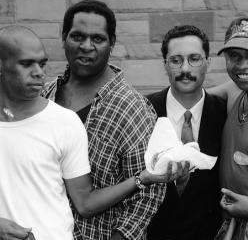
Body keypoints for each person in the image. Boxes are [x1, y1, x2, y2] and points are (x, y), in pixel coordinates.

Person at [0, 25, 187, 240]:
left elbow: (85, 202)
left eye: (42, 64)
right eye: (26, 64)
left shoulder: (64, 121)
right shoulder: (52, 94)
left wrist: (142, 178)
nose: (39, 73)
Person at [42, 0, 171, 240]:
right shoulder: (44, 96)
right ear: (63, 38)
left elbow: (148, 194)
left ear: (112, 43)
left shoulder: (132, 108)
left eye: (98, 39)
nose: (86, 46)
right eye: (77, 36)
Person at [146, 25, 227, 240]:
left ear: (208, 62)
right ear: (165, 64)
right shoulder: (144, 110)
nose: (185, 69)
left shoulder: (225, 114)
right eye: (175, 60)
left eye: (194, 59)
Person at [207, 16, 248, 239]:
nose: (242, 65)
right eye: (234, 56)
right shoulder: (236, 92)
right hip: (234, 230)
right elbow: (190, 96)